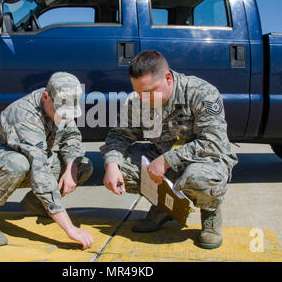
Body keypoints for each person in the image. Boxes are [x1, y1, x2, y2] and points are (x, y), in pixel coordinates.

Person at [100, 50, 238, 249]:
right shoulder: (138, 100)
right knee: (121, 167)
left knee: (197, 178)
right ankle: (164, 207)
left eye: (149, 91)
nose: (143, 98)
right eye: (138, 91)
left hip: (205, 160)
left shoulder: (200, 92)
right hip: (160, 159)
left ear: (167, 78)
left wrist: (167, 160)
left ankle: (210, 212)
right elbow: (119, 136)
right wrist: (112, 166)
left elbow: (214, 142)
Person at [0, 72, 94, 250]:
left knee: (82, 165)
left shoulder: (62, 103)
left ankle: (36, 203)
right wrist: (70, 229)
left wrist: (70, 168)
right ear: (46, 97)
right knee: (19, 164)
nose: (65, 117)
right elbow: (39, 169)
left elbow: (71, 136)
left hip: (31, 161)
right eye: (61, 112)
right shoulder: (25, 115)